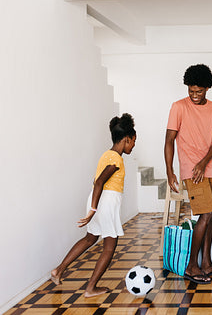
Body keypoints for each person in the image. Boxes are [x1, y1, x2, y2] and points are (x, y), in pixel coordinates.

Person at [50, 113, 137, 297]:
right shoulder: (116, 159)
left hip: (97, 200)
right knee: (110, 246)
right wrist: (94, 210)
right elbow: (99, 182)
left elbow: (97, 184)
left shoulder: (107, 154)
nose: (134, 146)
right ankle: (90, 288)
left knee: (90, 238)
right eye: (134, 141)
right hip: (105, 202)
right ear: (127, 139)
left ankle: (58, 270)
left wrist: (93, 207)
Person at [164, 64, 212, 284]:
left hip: (209, 167)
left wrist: (204, 162)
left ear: (207, 88)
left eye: (199, 91)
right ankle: (192, 265)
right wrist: (170, 171)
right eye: (191, 90)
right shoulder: (178, 107)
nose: (194, 95)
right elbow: (169, 139)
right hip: (191, 169)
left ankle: (206, 263)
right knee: (205, 214)